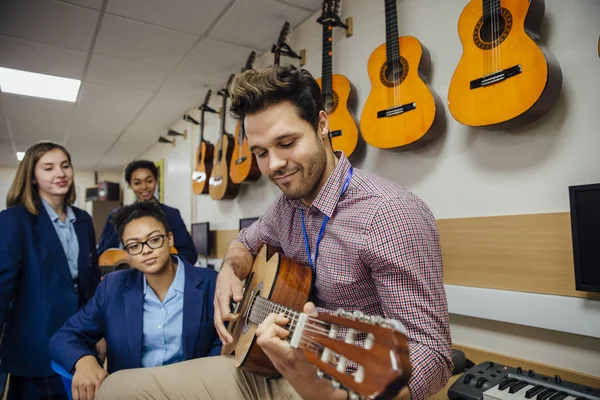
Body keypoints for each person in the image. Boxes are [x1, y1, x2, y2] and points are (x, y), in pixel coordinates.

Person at [95, 65, 453, 400]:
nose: (274, 166)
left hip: (348, 386)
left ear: (322, 124)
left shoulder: (388, 214)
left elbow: (433, 357)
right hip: (271, 366)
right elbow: (244, 243)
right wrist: (229, 273)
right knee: (116, 388)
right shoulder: (286, 207)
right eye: (261, 152)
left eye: (287, 143)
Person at [50, 201, 221, 400]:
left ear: (170, 239)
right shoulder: (113, 288)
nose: (146, 250)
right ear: (127, 255)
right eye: (134, 245)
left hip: (193, 393)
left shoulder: (211, 282)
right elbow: (64, 337)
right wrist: (84, 360)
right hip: (132, 394)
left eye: (154, 239)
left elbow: (224, 342)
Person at [0, 142, 101, 400]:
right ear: (32, 177)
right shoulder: (14, 220)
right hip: (35, 346)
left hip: (79, 344)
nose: (60, 173)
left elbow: (90, 284)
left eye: (65, 166)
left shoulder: (83, 220)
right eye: (48, 167)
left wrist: (100, 332)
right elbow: (2, 287)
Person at [97, 160, 198, 265]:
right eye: (137, 183)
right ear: (130, 185)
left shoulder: (171, 214)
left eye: (149, 181)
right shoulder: (117, 215)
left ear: (156, 181)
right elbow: (104, 254)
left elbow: (189, 254)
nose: (144, 187)